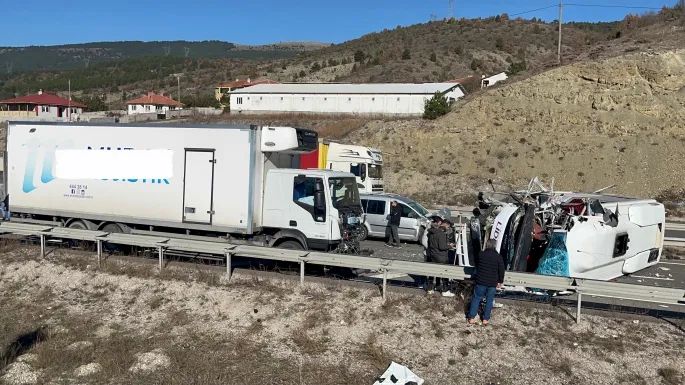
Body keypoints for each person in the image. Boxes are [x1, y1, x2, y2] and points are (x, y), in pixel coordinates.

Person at [467, 238, 505, 325]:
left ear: (486, 245)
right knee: (489, 300)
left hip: (480, 280)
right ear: (495, 246)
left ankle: (471, 317)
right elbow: (501, 270)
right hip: (492, 282)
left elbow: (476, 264)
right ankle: (485, 319)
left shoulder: (481, 254)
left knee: (476, 298)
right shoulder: (498, 257)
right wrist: (500, 281)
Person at [428, 220, 456, 297]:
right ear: (445, 225)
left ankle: (430, 289)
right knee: (445, 272)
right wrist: (450, 246)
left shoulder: (431, 232)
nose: (448, 228)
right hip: (441, 256)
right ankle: (445, 290)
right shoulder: (441, 234)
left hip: (433, 255)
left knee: (432, 272)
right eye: (448, 227)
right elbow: (442, 247)